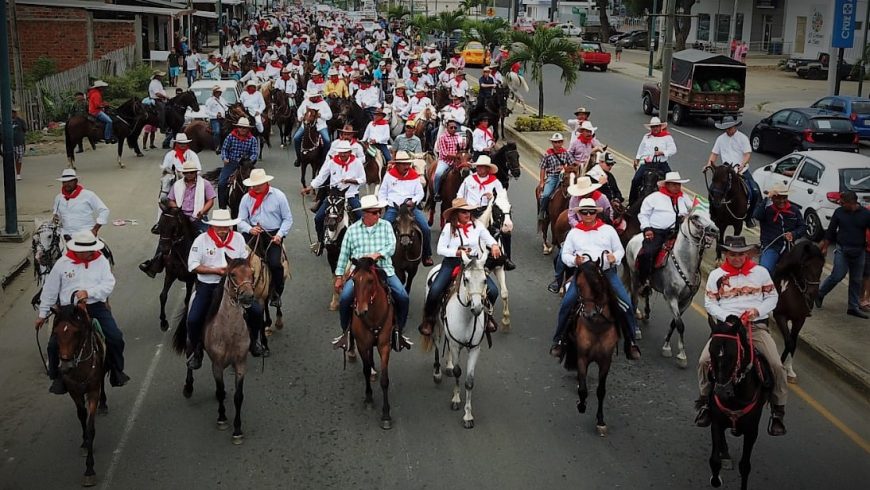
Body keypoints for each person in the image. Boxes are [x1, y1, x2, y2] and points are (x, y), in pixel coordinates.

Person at [695, 235, 787, 437]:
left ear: (747, 254)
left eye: (741, 254)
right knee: (703, 361)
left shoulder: (761, 273)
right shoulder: (716, 275)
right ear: (726, 254)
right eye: (732, 254)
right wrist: (729, 319)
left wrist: (757, 311)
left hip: (755, 328)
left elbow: (772, 296)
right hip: (728, 329)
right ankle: (704, 402)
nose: (737, 258)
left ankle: (777, 410)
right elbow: (710, 303)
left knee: (776, 365)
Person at [36, 231, 129, 394]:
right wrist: (42, 315)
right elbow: (50, 290)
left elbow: (108, 284)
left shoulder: (101, 261)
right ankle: (57, 376)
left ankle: (116, 370)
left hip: (95, 306)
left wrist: (89, 292)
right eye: (84, 251)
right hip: (68, 311)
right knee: (53, 345)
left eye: (89, 250)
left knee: (116, 337)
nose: (87, 253)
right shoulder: (62, 264)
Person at [548, 198, 641, 360]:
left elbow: (620, 250)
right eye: (584, 212)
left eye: (591, 211)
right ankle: (559, 340)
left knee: (626, 303)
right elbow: (565, 255)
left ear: (596, 213)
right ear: (580, 214)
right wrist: (574, 261)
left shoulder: (608, 230)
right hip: (583, 274)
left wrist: (614, 257)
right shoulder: (574, 233)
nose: (588, 215)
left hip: (606, 273)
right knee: (567, 304)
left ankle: (631, 341)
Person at [185, 209, 266, 369]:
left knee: (256, 311)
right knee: (193, 319)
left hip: (233, 286)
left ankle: (254, 342)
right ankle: (197, 350)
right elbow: (192, 266)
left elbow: (244, 261)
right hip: (209, 286)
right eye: (219, 227)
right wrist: (216, 270)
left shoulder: (238, 238)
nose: (222, 230)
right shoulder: (201, 240)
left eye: (225, 227)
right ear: (213, 226)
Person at [332, 195, 413, 352]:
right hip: (360, 273)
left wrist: (378, 254)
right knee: (345, 298)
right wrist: (339, 276)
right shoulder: (352, 230)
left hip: (383, 269)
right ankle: (346, 334)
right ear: (365, 214)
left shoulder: (386, 226)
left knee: (403, 296)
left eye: (379, 212)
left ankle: (398, 332)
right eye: (375, 213)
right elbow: (344, 254)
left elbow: (392, 246)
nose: (379, 215)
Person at [418, 198, 502, 336]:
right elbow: (440, 249)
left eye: (469, 211)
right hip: (453, 263)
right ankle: (429, 320)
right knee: (435, 289)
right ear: (456, 213)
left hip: (473, 264)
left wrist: (494, 245)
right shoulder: (448, 228)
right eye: (463, 212)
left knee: (493, 291)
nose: (467, 214)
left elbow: (488, 238)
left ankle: (487, 317)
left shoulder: (478, 226)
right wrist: (456, 252)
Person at [140, 160, 216, 277]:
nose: (189, 175)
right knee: (165, 235)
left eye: (191, 172)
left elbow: (211, 200)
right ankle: (155, 263)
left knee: (209, 237)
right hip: (180, 215)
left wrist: (203, 211)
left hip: (198, 217)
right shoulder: (177, 184)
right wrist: (174, 206)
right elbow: (170, 199)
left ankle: (210, 264)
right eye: (187, 173)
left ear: (196, 172)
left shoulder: (205, 184)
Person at [237, 169, 293, 308]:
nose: (255, 187)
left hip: (272, 235)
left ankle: (276, 294)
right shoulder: (246, 198)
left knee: (275, 264)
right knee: (241, 264)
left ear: (266, 182)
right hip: (252, 234)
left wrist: (279, 235)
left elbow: (287, 219)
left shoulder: (279, 196)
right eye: (253, 185)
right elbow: (240, 220)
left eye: (258, 184)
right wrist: (250, 229)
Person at [302, 140, 365, 255]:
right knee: (318, 218)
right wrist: (310, 187)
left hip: (350, 195)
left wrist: (353, 180)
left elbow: (363, 179)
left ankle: (361, 245)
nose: (343, 155)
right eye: (341, 152)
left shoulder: (357, 163)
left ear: (350, 152)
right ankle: (320, 242)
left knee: (362, 218)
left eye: (345, 152)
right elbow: (321, 177)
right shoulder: (331, 162)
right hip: (334, 196)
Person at [816, 191, 870, 319]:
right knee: (837, 275)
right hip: (842, 250)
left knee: (856, 280)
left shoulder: (865, 215)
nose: (840, 203)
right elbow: (830, 231)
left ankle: (853, 307)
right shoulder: (839, 212)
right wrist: (825, 246)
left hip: (859, 251)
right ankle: (820, 294)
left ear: (852, 203)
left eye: (843, 202)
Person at [636, 171, 693, 293]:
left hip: (679, 233)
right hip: (657, 233)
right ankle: (644, 280)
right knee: (648, 253)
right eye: (674, 184)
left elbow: (694, 209)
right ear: (666, 185)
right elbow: (643, 215)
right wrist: (647, 228)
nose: (677, 187)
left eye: (678, 184)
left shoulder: (684, 198)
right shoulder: (653, 198)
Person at [457, 155, 515, 271]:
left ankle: (507, 257)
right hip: (471, 210)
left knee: (505, 230)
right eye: (478, 167)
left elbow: (502, 198)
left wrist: (492, 197)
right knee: (457, 227)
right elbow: (459, 195)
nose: (479, 169)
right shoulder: (468, 180)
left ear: (488, 169)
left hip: (488, 210)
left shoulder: (495, 182)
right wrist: (463, 206)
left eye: (482, 167)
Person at [378, 155, 433, 266]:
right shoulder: (389, 176)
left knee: (425, 228)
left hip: (410, 208)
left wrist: (414, 201)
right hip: (394, 208)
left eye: (408, 164)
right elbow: (382, 192)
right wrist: (384, 204)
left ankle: (426, 255)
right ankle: (379, 255)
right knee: (382, 228)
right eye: (404, 164)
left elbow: (420, 193)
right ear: (397, 165)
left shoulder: (414, 175)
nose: (407, 166)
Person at [706, 116, 759, 227]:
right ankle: (712, 213)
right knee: (713, 190)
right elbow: (714, 154)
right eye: (727, 128)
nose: (728, 130)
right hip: (726, 170)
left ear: (735, 126)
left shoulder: (743, 138)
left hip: (741, 171)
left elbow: (747, 154)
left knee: (755, 191)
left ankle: (748, 218)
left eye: (730, 128)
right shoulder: (720, 139)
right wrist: (708, 165)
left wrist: (742, 164)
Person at [755, 183, 806, 273]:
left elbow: (802, 227)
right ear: (773, 198)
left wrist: (794, 234)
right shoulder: (766, 210)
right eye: (778, 198)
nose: (782, 201)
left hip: (789, 248)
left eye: (784, 198)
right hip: (771, 247)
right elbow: (757, 215)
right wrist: (766, 199)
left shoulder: (794, 210)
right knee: (765, 271)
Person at [52, 169, 110, 239]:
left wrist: (95, 229)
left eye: (70, 181)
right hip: (65, 234)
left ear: (76, 181)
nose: (67, 184)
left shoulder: (88, 195)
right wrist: (56, 218)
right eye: (64, 182)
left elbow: (104, 210)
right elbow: (56, 214)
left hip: (85, 233)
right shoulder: (58, 198)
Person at [630, 117, 676, 205]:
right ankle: (632, 203)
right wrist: (637, 159)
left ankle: (674, 202)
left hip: (661, 163)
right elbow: (641, 148)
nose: (655, 129)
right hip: (647, 163)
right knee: (635, 180)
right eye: (653, 127)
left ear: (660, 127)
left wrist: (663, 152)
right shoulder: (646, 137)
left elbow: (673, 149)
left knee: (671, 181)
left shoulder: (667, 137)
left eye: (656, 126)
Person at [218, 117, 260, 208]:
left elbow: (254, 153)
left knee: (259, 181)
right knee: (221, 183)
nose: (242, 129)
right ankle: (222, 207)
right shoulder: (230, 136)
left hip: (246, 164)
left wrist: (249, 161)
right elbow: (224, 149)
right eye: (240, 127)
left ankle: (258, 205)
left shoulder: (252, 139)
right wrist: (225, 158)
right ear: (237, 127)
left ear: (248, 129)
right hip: (232, 162)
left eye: (244, 128)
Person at [537, 133, 574, 221]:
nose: (557, 144)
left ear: (562, 143)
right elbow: (543, 168)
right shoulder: (548, 154)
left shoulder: (566, 153)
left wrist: (564, 168)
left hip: (564, 176)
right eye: (555, 142)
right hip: (552, 176)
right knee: (545, 195)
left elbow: (572, 165)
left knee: (573, 193)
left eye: (559, 142)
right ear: (552, 143)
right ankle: (542, 211)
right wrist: (542, 182)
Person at [294, 90, 333, 163]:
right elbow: (299, 111)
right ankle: (299, 157)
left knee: (327, 140)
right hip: (306, 126)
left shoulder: (323, 103)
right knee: (296, 138)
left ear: (317, 96)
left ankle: (324, 159)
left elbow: (330, 115)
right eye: (311, 97)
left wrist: (321, 116)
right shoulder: (305, 102)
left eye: (313, 97)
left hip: (320, 126)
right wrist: (301, 117)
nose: (312, 99)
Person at [433, 119, 467, 200]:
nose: (453, 129)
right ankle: (436, 192)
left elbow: (463, 149)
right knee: (438, 174)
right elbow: (444, 153)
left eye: (455, 128)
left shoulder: (458, 136)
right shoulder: (442, 137)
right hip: (445, 161)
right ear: (447, 128)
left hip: (457, 161)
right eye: (451, 127)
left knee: (468, 172)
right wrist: (457, 156)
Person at [204, 85, 229, 154]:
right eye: (218, 92)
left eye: (220, 92)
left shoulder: (222, 99)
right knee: (217, 131)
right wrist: (216, 115)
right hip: (214, 119)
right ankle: (217, 146)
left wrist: (224, 114)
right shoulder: (209, 100)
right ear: (214, 92)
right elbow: (207, 111)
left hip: (223, 118)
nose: (219, 93)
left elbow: (226, 108)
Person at [10, 107, 26, 180]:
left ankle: (18, 174)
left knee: (19, 159)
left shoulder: (21, 121)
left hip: (19, 143)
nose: (14, 113)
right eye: (12, 112)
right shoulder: (6, 121)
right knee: (9, 159)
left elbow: (24, 130)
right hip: (9, 143)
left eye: (15, 112)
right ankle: (10, 174)